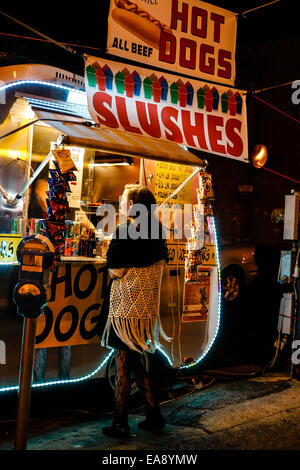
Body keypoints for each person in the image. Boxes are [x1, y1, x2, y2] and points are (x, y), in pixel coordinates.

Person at [100, 184, 170, 438]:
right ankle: (154, 415)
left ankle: (120, 422)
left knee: (123, 365)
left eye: (124, 200)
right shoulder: (159, 231)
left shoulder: (125, 230)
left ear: (131, 206)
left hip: (125, 310)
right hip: (145, 311)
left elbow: (115, 270)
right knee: (136, 362)